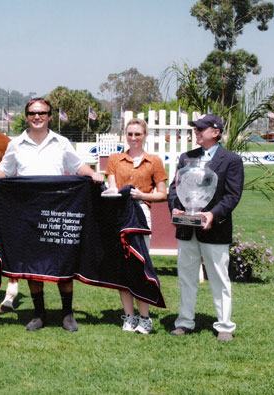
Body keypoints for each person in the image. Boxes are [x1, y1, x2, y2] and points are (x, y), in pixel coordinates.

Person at [0, 98, 104, 332]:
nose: (37, 117)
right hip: (28, 213)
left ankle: (67, 314)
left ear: (49, 116)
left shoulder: (62, 142)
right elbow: (5, 170)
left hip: (57, 211)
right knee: (31, 264)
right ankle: (39, 314)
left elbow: (78, 166)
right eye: (33, 113)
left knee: (63, 262)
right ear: (26, 116)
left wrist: (92, 174)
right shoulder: (16, 144)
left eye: (42, 113)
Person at [168, 114, 244, 342]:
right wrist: (175, 208)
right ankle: (184, 321)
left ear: (216, 131)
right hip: (186, 228)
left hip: (215, 229)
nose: (197, 132)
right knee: (186, 277)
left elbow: (232, 195)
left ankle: (224, 326)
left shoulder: (231, 160)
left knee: (219, 278)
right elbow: (174, 189)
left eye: (201, 128)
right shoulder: (186, 158)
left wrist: (212, 214)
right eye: (195, 128)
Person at [104, 118, 167, 334]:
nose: (133, 138)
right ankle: (129, 316)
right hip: (119, 215)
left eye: (137, 134)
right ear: (125, 135)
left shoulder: (154, 161)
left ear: (145, 135)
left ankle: (145, 317)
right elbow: (112, 189)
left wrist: (142, 194)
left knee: (140, 264)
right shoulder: (114, 160)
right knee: (123, 266)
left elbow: (162, 193)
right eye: (130, 134)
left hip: (141, 214)